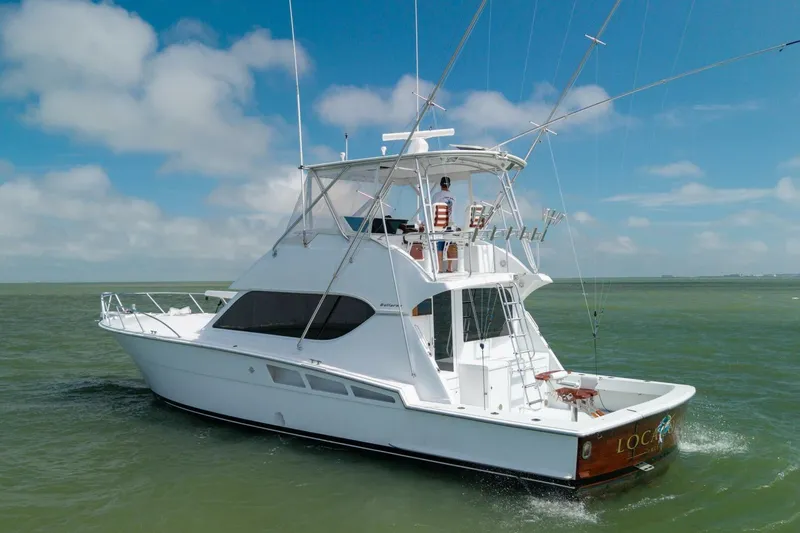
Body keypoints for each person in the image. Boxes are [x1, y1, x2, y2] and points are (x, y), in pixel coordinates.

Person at [431, 176, 456, 272]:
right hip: (451, 224)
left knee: (440, 245)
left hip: (439, 225)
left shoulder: (436, 196)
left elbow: (432, 211)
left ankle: (440, 268)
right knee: (449, 245)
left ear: (440, 184)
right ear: (449, 185)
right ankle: (450, 267)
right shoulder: (454, 196)